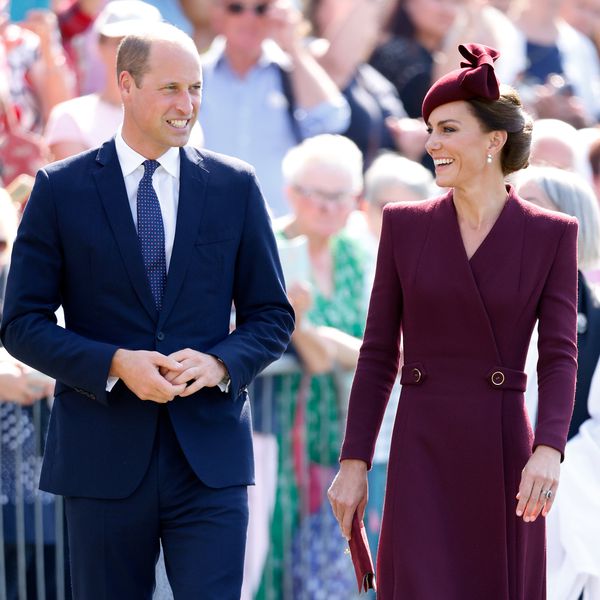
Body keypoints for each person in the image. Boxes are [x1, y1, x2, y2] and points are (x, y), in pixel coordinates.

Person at [0, 22, 294, 600]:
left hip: (209, 461)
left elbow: (271, 315)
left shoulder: (235, 186)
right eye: (170, 89)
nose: (186, 105)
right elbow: (21, 323)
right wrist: (113, 363)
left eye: (195, 88)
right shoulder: (61, 189)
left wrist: (220, 364)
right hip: (102, 460)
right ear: (126, 84)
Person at [328, 43, 579, 599]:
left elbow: (560, 355)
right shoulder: (404, 226)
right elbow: (377, 354)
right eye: (429, 129)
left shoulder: (552, 234)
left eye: (447, 129)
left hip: (504, 450)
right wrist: (355, 460)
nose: (431, 143)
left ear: (494, 140)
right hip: (421, 446)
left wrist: (549, 449)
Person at [199, 0, 350, 217]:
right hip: (208, 221)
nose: (249, 18)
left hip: (278, 227)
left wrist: (293, 45)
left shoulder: (291, 70)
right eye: (236, 8)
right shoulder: (195, 74)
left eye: (261, 9)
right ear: (217, 15)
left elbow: (333, 119)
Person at [515, 166, 600, 440]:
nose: (513, 217)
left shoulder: (595, 315)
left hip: (571, 475)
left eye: (531, 207)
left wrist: (548, 462)